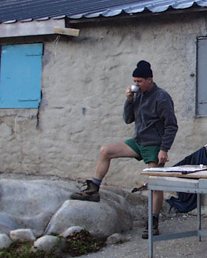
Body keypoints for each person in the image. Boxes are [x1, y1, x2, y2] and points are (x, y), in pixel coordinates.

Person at [70, 60, 178, 238]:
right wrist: (129, 101)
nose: (136, 84)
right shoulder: (138, 95)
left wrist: (164, 149)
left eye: (140, 81)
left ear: (150, 79)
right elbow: (128, 119)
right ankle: (93, 189)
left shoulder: (161, 97)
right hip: (138, 140)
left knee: (155, 183)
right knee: (106, 151)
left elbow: (171, 126)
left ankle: (153, 222)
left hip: (154, 144)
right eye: (135, 81)